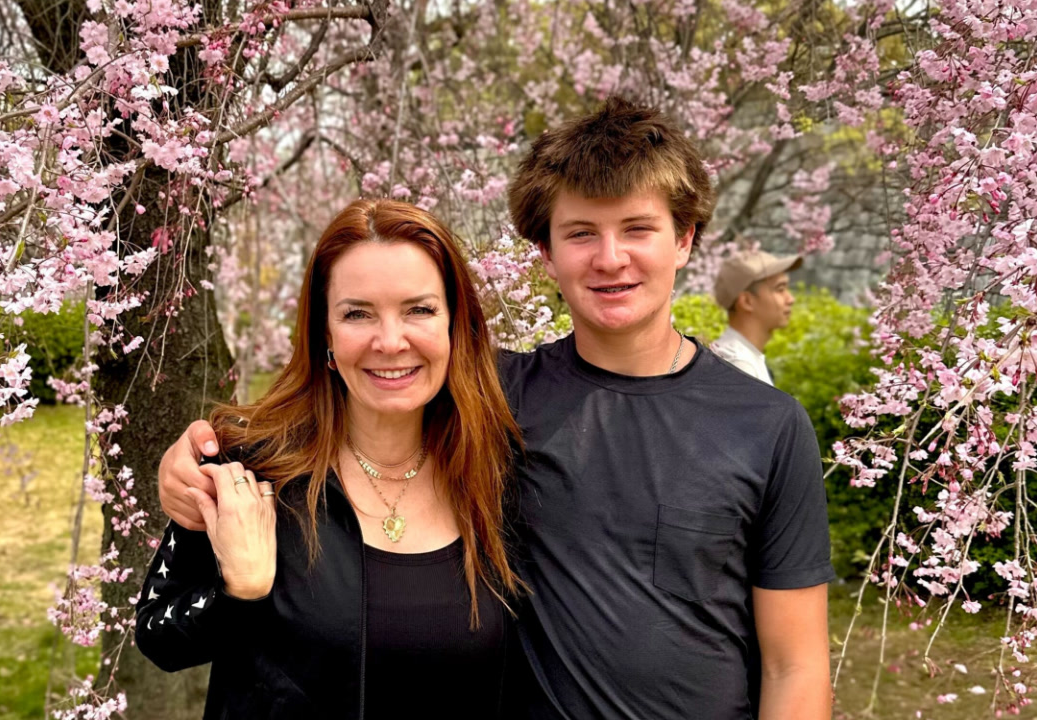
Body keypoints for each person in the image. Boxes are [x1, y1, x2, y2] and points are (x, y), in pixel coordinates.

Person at [157, 99, 834, 719]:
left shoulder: (766, 427)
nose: (611, 258)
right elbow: (367, 385)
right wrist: (194, 458)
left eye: (638, 228)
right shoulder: (490, 398)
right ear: (544, 253)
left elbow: (794, 663)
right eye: (580, 233)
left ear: (684, 238)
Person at [134, 199, 529, 719]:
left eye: (419, 309)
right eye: (357, 314)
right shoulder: (248, 467)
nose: (390, 342)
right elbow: (158, 634)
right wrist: (239, 591)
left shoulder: (502, 471)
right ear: (324, 330)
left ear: (456, 323)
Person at [710, 249, 803, 385]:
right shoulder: (739, 364)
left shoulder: (746, 358)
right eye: (780, 289)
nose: (790, 299)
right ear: (747, 301)